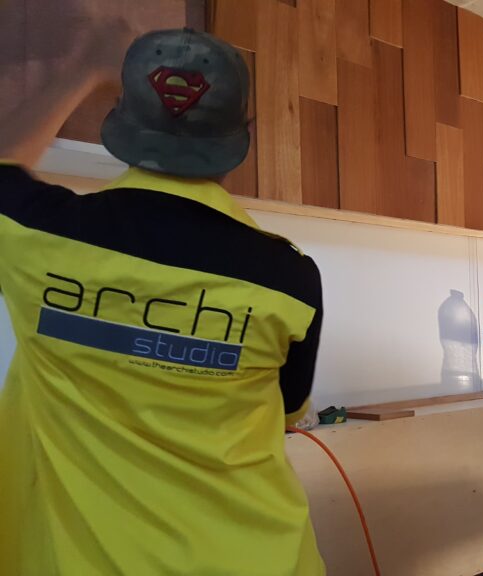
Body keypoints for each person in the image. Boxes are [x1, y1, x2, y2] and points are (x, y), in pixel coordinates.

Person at [0, 16, 325, 576]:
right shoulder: (289, 278)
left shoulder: (39, 235)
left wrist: (83, 71)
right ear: (240, 139)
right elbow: (290, 412)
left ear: (120, 120)